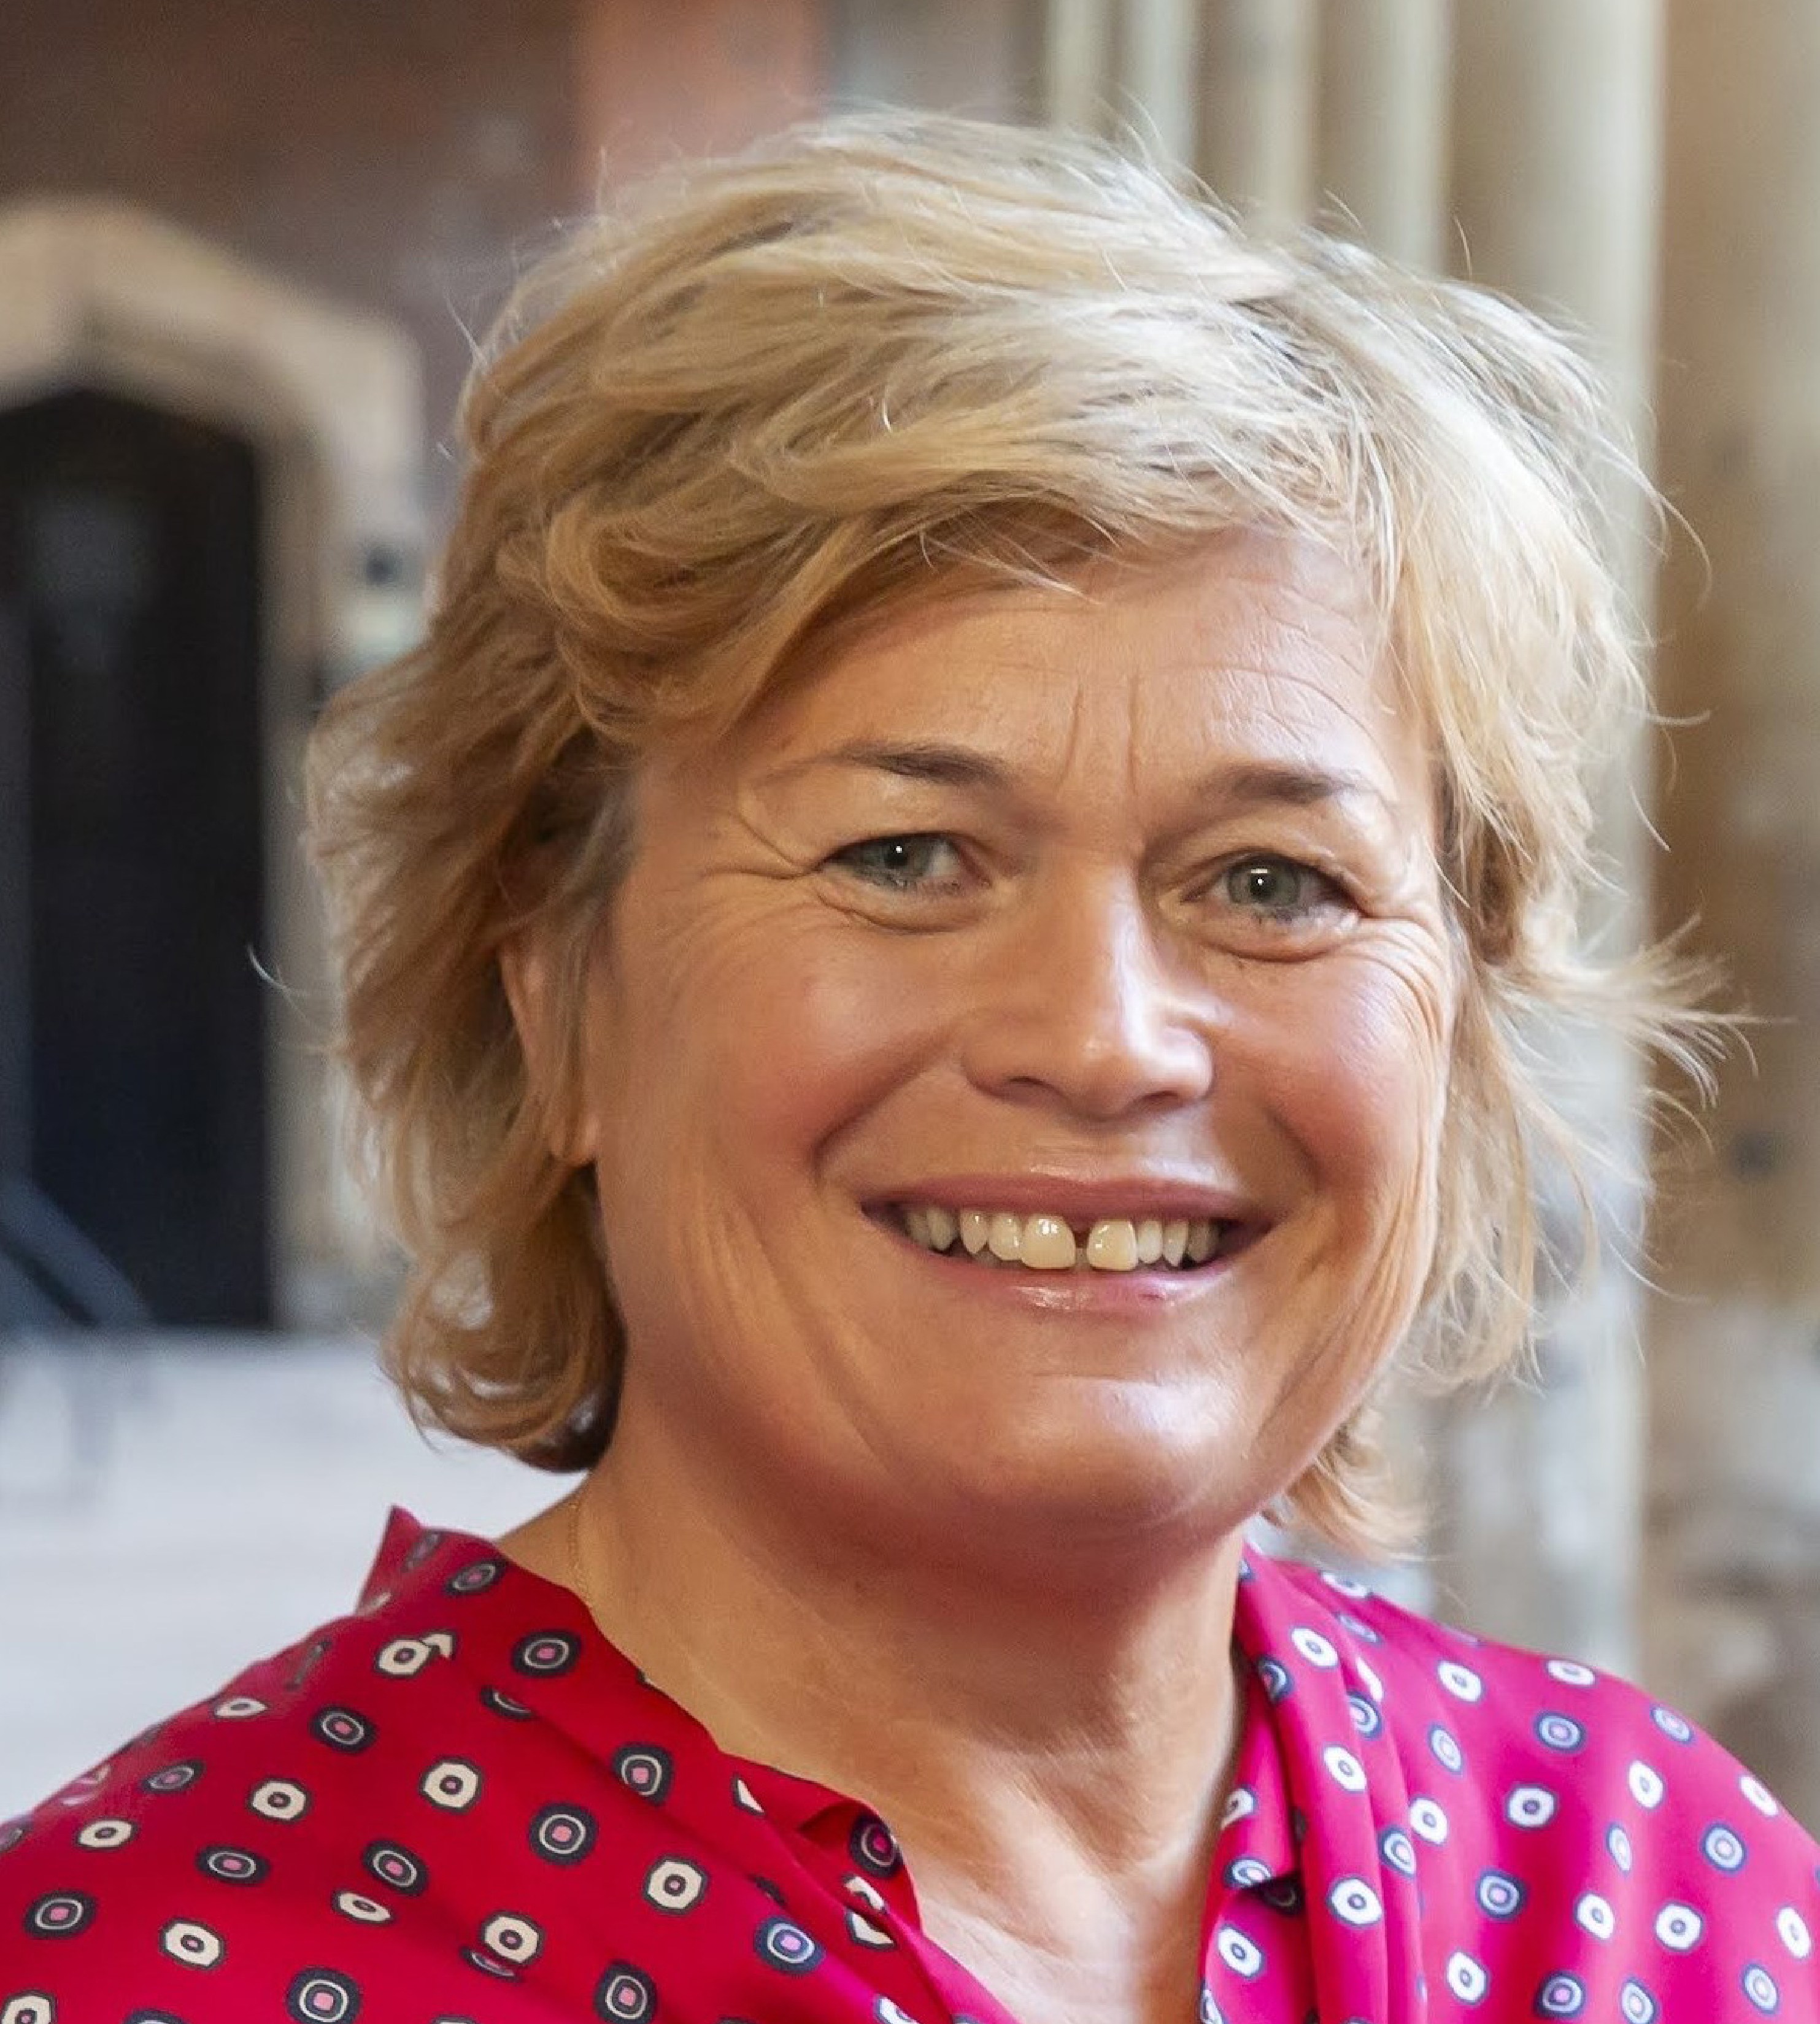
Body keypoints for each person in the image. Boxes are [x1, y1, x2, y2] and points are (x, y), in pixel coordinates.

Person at [1, 113, 1813, 2024]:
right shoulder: (155, 1972)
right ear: (551, 1001)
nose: (1106, 1038)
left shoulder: (1650, 1889)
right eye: (905, 857)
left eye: (1272, 880)